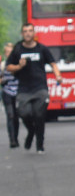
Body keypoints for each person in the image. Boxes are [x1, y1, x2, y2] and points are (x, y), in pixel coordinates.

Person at [4, 23, 63, 154]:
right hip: (24, 89)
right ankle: (31, 131)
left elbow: (53, 63)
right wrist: (19, 66)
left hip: (40, 88)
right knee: (24, 114)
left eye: (30, 31)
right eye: (25, 31)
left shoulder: (42, 49)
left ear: (34, 33)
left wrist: (58, 75)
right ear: (22, 34)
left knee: (39, 115)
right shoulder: (18, 49)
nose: (28, 33)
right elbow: (8, 67)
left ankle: (40, 145)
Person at [2, 42, 19, 149]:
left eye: (10, 52)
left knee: (16, 116)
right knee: (10, 115)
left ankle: (16, 138)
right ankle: (12, 140)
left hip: (18, 92)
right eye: (7, 52)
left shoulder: (18, 65)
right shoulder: (2, 65)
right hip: (7, 91)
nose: (9, 54)